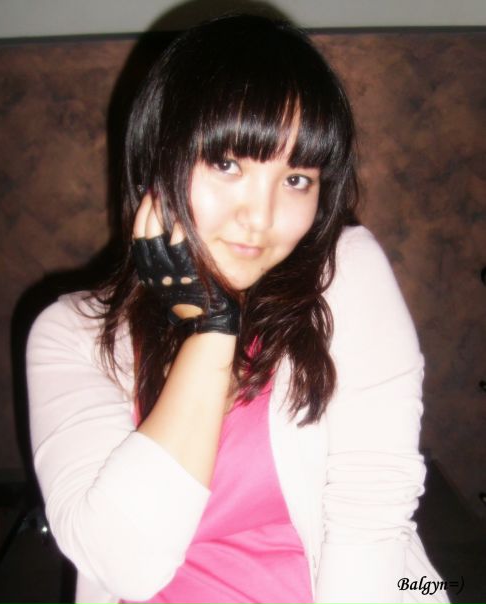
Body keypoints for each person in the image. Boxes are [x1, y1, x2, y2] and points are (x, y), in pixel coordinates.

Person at [27, 13, 450, 604]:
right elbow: (123, 565)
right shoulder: (72, 335)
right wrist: (211, 333)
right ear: (159, 157)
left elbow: (371, 518)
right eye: (228, 165)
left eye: (297, 179)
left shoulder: (345, 276)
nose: (261, 217)